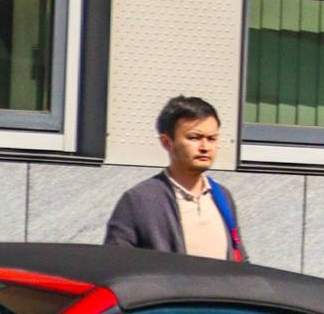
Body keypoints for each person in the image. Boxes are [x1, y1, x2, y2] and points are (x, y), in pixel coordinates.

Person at [104, 95, 245, 261]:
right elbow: (115, 265)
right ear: (167, 142)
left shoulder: (222, 197)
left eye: (212, 138)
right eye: (194, 137)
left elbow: (240, 262)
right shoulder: (139, 200)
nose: (205, 147)